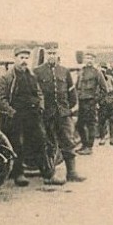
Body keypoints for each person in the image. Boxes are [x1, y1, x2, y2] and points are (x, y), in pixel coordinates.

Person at [0, 46, 60, 187]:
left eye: (26, 58)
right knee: (18, 145)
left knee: (41, 143)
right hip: (16, 117)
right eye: (21, 58)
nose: (24, 61)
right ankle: (19, 174)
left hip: (33, 116)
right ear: (15, 59)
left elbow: (39, 93)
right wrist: (12, 112)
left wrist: (41, 106)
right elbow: (0, 99)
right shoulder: (6, 78)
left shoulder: (31, 75)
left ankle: (48, 175)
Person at [35, 42, 83, 183]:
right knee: (47, 144)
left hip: (63, 113)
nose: (52, 56)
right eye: (49, 53)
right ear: (45, 54)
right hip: (45, 114)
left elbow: (71, 93)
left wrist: (70, 109)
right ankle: (49, 175)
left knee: (68, 141)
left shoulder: (64, 71)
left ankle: (72, 173)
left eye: (54, 53)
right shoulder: (37, 72)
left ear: (58, 54)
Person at [75, 52, 109, 155]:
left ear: (94, 60)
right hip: (81, 101)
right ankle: (84, 144)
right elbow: (77, 86)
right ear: (84, 59)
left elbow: (105, 89)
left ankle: (89, 147)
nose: (89, 60)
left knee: (91, 125)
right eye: (87, 58)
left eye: (91, 58)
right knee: (79, 125)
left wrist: (96, 100)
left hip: (91, 102)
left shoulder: (97, 72)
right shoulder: (81, 71)